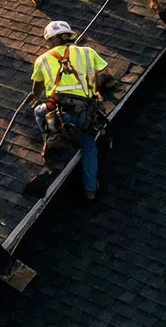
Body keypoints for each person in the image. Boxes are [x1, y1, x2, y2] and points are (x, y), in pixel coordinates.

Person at [30, 20, 117, 200]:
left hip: (60, 115)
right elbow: (107, 75)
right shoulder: (87, 52)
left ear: (51, 41)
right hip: (87, 114)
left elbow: (37, 89)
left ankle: (51, 137)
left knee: (39, 111)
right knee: (89, 147)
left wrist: (33, 97)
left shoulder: (43, 59)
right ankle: (90, 189)